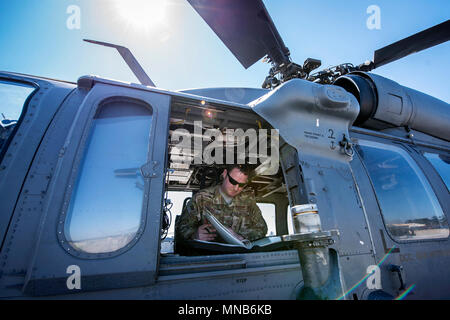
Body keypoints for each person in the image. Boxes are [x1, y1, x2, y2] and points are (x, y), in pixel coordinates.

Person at [175, 164, 268, 246]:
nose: (236, 188)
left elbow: (262, 229)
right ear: (224, 174)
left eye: (241, 185)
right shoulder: (201, 198)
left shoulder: (248, 200)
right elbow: (182, 228)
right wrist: (194, 235)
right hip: (210, 258)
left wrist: (240, 236)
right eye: (233, 181)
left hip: (240, 255)